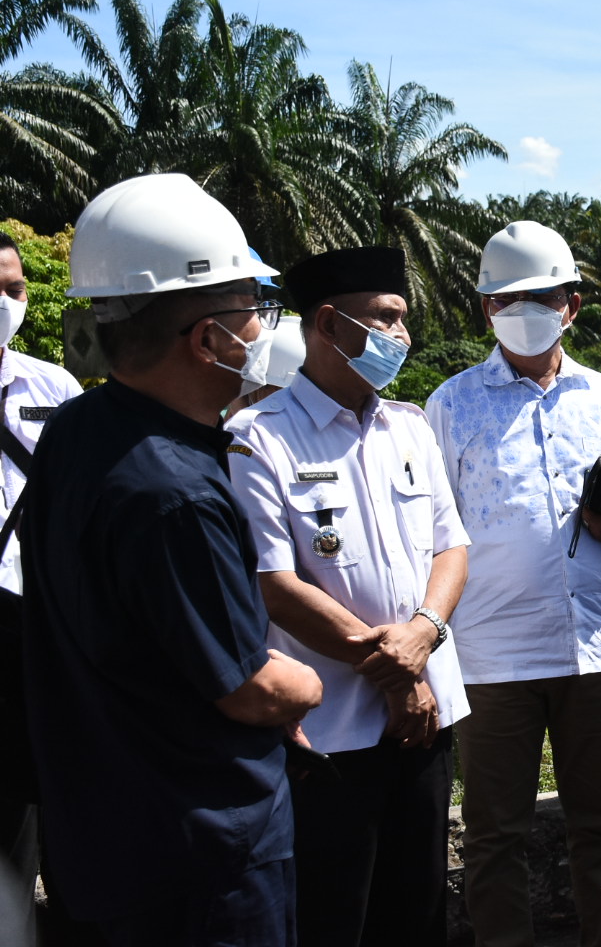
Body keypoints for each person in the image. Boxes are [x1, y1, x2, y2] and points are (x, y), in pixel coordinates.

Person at [21, 173, 323, 945]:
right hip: (202, 858)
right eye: (252, 310)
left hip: (104, 837)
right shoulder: (175, 492)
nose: (262, 329)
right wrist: (309, 682)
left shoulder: (78, 430)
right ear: (208, 338)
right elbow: (250, 690)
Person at [425, 221, 601, 947]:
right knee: (493, 833)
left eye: (543, 295)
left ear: (571, 303)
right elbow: (434, 533)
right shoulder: (452, 404)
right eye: (508, 297)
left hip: (594, 651)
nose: (526, 308)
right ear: (484, 309)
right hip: (492, 658)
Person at [226, 246, 471, 947]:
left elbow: (450, 548)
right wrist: (395, 674)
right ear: (329, 324)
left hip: (427, 719)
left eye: (403, 321)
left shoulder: (410, 427)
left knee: (420, 908)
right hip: (331, 733)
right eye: (386, 320)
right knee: (337, 915)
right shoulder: (257, 440)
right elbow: (276, 584)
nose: (402, 337)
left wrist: (421, 636)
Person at [0, 228, 83, 942]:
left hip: (45, 628)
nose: (7, 301)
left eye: (15, 288)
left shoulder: (54, 386)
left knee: (68, 812)